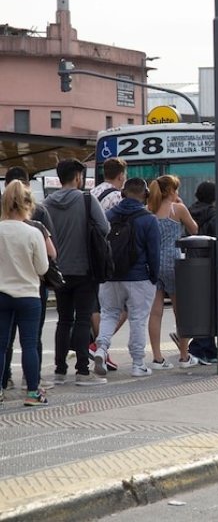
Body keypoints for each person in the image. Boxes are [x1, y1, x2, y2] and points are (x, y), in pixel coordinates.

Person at [44, 159, 110, 387]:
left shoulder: (47, 203)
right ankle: (82, 371)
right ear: (78, 177)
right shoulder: (86, 199)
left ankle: (59, 371)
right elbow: (105, 228)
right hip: (84, 268)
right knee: (82, 319)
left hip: (58, 271)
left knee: (63, 320)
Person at [92, 178, 160, 378]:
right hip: (139, 277)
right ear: (145, 195)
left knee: (109, 314)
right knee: (138, 319)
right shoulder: (148, 219)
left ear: (123, 194)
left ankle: (101, 348)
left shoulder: (108, 216)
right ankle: (138, 364)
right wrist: (153, 278)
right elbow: (154, 253)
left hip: (110, 277)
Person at [2, 166, 55, 391]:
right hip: (29, 295)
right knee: (30, 345)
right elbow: (43, 267)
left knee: (2, 346)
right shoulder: (34, 232)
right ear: (28, 203)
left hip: (1, 294)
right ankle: (32, 392)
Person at [146, 175, 200, 369]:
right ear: (170, 191)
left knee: (155, 312)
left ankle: (157, 357)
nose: (178, 192)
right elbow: (194, 229)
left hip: (153, 263)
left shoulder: (149, 210)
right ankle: (184, 356)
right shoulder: (177, 209)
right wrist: (181, 205)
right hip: (174, 262)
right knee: (181, 312)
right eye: (176, 189)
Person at [89, 158, 128, 372]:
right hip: (108, 255)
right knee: (121, 306)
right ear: (121, 175)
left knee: (97, 303)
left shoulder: (93, 193)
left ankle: (99, 347)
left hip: (90, 254)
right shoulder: (116, 197)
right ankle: (99, 345)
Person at [184, 180, 218, 364]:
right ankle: (203, 347)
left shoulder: (190, 211)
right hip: (210, 262)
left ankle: (204, 346)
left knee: (199, 306)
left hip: (191, 262)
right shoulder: (213, 214)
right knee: (211, 306)